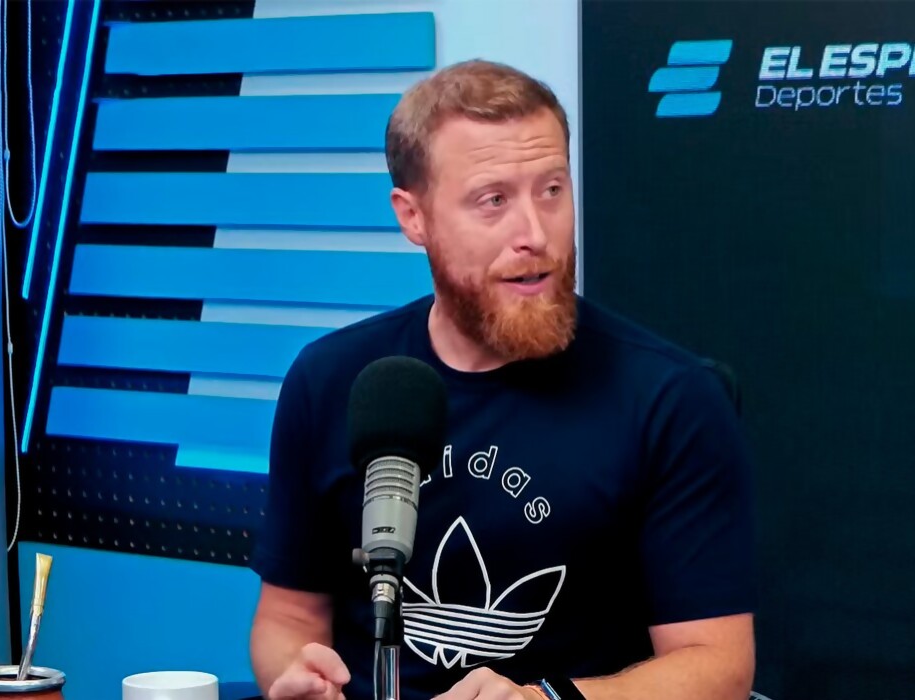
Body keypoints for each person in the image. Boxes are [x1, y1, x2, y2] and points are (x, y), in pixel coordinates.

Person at [248, 59, 757, 700]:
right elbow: (289, 618)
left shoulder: (670, 399)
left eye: (552, 190)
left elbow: (717, 666)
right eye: (494, 201)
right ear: (413, 217)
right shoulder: (331, 380)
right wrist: (298, 676)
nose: (535, 234)